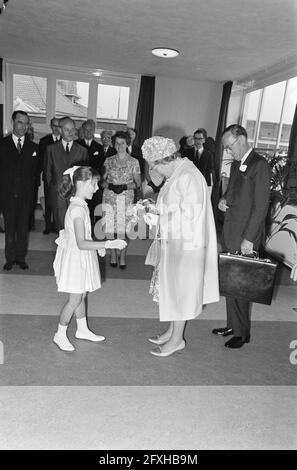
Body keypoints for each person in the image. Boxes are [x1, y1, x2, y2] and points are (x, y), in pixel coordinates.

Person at [141, 136, 219, 357]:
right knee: (173, 290)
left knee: (180, 292)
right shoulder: (178, 173)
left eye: (155, 166)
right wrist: (153, 209)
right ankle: (171, 332)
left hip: (186, 246)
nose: (155, 172)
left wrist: (157, 219)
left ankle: (177, 340)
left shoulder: (188, 176)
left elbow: (190, 216)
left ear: (164, 159)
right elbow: (172, 204)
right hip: (175, 243)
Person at [53, 165, 126, 352]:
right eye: (93, 184)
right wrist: (107, 245)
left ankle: (82, 329)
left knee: (82, 293)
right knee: (75, 298)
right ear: (81, 183)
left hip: (80, 256)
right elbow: (81, 243)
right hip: (76, 258)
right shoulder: (77, 209)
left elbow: (84, 237)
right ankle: (60, 334)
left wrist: (97, 247)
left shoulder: (80, 205)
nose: (96, 188)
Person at [213, 124, 271, 348]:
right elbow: (232, 192)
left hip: (245, 236)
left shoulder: (259, 165)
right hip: (230, 231)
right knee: (230, 282)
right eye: (227, 148)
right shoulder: (238, 165)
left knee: (242, 285)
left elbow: (260, 207)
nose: (229, 151)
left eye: (230, 146)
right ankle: (232, 324)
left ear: (242, 138)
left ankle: (242, 333)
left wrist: (249, 238)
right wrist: (223, 199)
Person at [0, 110, 38, 270]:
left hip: (26, 196)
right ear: (13, 123)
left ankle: (21, 257)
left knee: (23, 229)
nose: (23, 126)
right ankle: (9, 258)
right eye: (20, 122)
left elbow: (36, 173)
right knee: (9, 229)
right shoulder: (2, 145)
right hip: (7, 195)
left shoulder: (34, 147)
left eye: (26, 123)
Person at [101, 131, 141, 268]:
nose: (119, 146)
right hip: (110, 197)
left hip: (126, 198)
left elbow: (138, 183)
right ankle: (112, 254)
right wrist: (110, 185)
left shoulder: (134, 162)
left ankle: (122, 256)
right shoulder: (108, 160)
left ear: (127, 143)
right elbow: (102, 181)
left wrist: (124, 186)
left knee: (123, 230)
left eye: (122, 143)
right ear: (113, 144)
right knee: (111, 229)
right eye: (117, 143)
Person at [45, 116, 88, 231]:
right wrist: (54, 189)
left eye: (72, 129)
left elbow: (85, 176)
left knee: (76, 228)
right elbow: (48, 174)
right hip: (58, 195)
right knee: (61, 229)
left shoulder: (82, 150)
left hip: (76, 195)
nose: (70, 132)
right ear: (60, 130)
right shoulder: (51, 149)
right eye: (66, 129)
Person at [77, 119, 105, 228]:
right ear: (83, 130)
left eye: (91, 130)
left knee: (95, 206)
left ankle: (95, 229)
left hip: (94, 182)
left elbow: (102, 166)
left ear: (94, 130)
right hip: (81, 181)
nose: (88, 132)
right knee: (82, 206)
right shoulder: (77, 144)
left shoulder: (99, 147)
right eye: (86, 129)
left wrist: (99, 181)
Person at [39, 117, 61, 234]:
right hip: (48, 177)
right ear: (51, 126)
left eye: (58, 126)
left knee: (60, 202)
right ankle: (48, 226)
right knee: (48, 202)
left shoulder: (65, 140)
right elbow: (41, 160)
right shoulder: (44, 141)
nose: (56, 128)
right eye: (54, 125)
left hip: (62, 179)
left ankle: (59, 226)